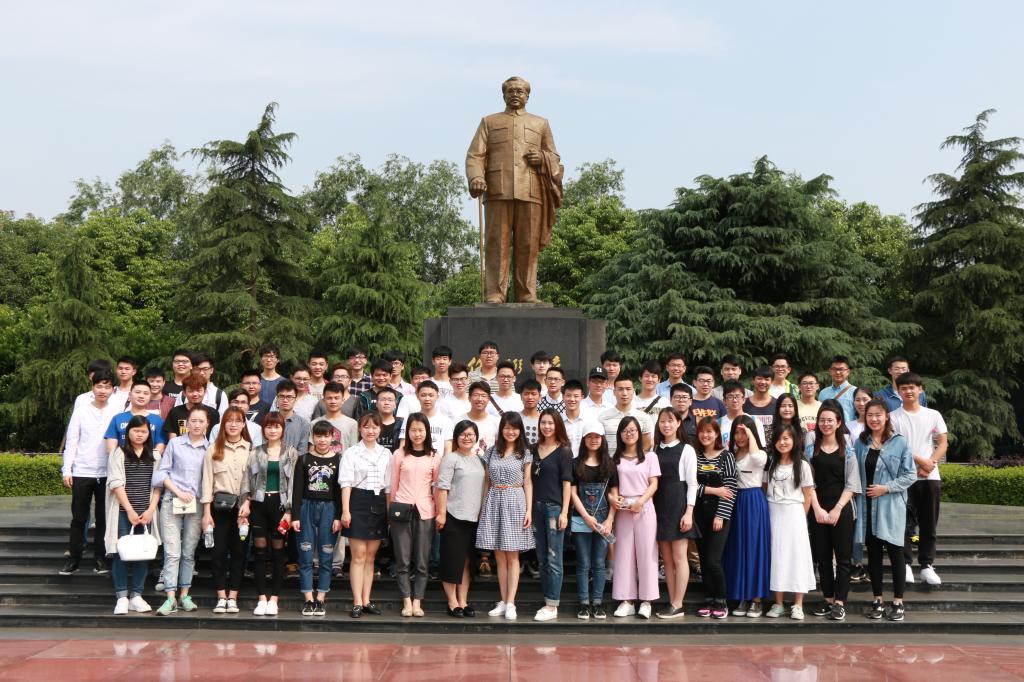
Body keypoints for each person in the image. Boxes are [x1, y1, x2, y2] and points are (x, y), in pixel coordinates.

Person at [466, 75, 562, 303]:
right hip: (497, 190)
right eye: (511, 91)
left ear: (527, 96)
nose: (515, 94)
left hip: (531, 190)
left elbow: (555, 157)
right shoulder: (489, 122)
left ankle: (526, 292)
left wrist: (543, 158)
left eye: (520, 91)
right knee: (496, 243)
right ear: (504, 95)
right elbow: (475, 155)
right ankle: (495, 293)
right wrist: (476, 177)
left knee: (528, 244)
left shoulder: (541, 123)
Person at [856, 399, 917, 622]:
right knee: (873, 556)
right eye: (870, 415)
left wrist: (886, 488)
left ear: (886, 416)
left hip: (891, 506)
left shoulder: (899, 442)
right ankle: (878, 600)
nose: (874, 419)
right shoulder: (861, 442)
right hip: (867, 507)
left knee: (895, 554)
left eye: (878, 415)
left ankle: (898, 602)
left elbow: (910, 475)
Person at [61, 369, 121, 576]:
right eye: (99, 386)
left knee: (103, 518)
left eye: (107, 386)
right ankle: (74, 559)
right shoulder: (81, 411)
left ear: (113, 389)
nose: (102, 390)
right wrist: (67, 469)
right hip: (82, 470)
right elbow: (72, 441)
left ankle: (100, 559)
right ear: (92, 388)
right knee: (79, 517)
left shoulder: (117, 411)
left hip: (108, 471)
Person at [238, 412, 299, 616]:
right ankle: (262, 598)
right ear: (263, 429)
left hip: (280, 506)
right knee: (260, 552)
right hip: (258, 504)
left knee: (279, 552)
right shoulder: (256, 452)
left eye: (277, 426)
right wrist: (246, 502)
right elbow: (247, 480)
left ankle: (274, 599)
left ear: (283, 429)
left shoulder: (291, 453)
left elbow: (293, 484)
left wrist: (289, 511)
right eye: (269, 426)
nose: (273, 430)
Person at [476, 412, 535, 621]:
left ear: (520, 430)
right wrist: (483, 506)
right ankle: (502, 600)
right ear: (501, 429)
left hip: (515, 500)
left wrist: (528, 510)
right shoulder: (491, 451)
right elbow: (487, 481)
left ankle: (511, 602)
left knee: (513, 555)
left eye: (515, 428)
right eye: (507, 427)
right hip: (494, 500)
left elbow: (528, 482)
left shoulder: (524, 453)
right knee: (499, 556)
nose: (511, 431)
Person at [891, 372, 948, 587]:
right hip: (904, 477)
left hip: (929, 477)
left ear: (920, 389)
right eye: (904, 388)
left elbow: (943, 442)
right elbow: (896, 445)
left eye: (912, 387)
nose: (908, 391)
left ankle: (926, 565)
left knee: (929, 522)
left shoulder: (933, 414)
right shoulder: (893, 417)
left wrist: (930, 463)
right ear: (898, 391)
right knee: (903, 523)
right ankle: (905, 563)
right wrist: (921, 462)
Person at [805, 402, 861, 621]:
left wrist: (837, 509)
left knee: (844, 558)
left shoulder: (848, 448)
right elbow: (807, 482)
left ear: (838, 423)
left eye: (830, 420)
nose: (826, 424)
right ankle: (828, 600)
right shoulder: (811, 448)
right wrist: (817, 508)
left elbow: (853, 483)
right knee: (823, 558)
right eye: (822, 420)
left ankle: (839, 603)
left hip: (843, 508)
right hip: (817, 508)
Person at [152, 405, 209, 616]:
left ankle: (185, 594)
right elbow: (162, 473)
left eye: (201, 421)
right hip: (172, 501)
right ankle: (170, 597)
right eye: (193, 421)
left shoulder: (210, 448)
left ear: (207, 424)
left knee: (188, 552)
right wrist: (178, 491)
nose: (197, 425)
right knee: (172, 551)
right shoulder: (175, 444)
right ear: (187, 423)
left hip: (196, 505)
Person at [104, 415, 162, 614]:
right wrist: (129, 510)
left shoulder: (155, 456)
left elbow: (158, 485)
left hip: (146, 513)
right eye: (136, 430)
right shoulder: (118, 453)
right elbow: (116, 483)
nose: (139, 434)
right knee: (120, 553)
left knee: (143, 553)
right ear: (128, 431)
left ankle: (136, 595)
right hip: (123, 512)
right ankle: (121, 596)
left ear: (149, 434)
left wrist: (151, 509)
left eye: (143, 431)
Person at [339, 413, 392, 618]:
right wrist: (346, 510)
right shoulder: (351, 452)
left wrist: (388, 512)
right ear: (360, 429)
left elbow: (388, 487)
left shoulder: (386, 453)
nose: (371, 431)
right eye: (366, 427)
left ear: (380, 429)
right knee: (358, 555)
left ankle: (367, 600)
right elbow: (346, 484)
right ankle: (357, 602)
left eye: (374, 427)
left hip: (378, 502)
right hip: (357, 502)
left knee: (370, 557)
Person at [200, 406, 253, 614]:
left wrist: (247, 504)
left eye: (238, 421)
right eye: (229, 420)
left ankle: (233, 597)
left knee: (239, 553)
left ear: (243, 424)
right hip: (219, 509)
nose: (233, 425)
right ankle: (221, 596)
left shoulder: (251, 449)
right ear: (223, 424)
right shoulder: (213, 449)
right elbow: (207, 482)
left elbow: (255, 481)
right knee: (218, 553)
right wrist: (206, 513)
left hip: (243, 509)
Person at [390, 413, 442, 618]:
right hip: (401, 509)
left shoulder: (434, 456)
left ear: (427, 432)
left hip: (426, 511)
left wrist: (439, 512)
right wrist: (391, 511)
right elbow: (393, 484)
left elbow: (437, 487)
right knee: (403, 560)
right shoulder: (399, 454)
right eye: (413, 430)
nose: (417, 434)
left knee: (422, 560)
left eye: (421, 430)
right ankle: (406, 600)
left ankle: (418, 600)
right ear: (407, 432)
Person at [763, 423, 816, 620]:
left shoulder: (802, 466)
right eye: (778, 439)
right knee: (777, 556)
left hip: (795, 514)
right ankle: (778, 603)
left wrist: (802, 517)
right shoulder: (770, 464)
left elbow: (808, 494)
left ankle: (798, 604)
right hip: (774, 512)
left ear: (794, 441)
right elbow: (765, 488)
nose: (782, 442)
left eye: (786, 438)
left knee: (796, 557)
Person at [436, 421, 488, 618]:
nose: (467, 438)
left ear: (476, 437)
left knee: (467, 562)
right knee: (452, 561)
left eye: (471, 434)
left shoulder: (480, 459)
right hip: (453, 515)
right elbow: (442, 487)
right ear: (456, 437)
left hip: (474, 518)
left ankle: (463, 600)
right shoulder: (451, 458)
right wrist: (441, 513)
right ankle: (452, 602)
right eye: (463, 434)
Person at [611, 416, 661, 619]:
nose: (629, 434)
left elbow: (654, 483)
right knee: (624, 554)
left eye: (632, 430)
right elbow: (612, 485)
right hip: (623, 510)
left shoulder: (650, 457)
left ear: (639, 433)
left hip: (644, 507)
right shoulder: (615, 459)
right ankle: (627, 600)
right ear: (620, 435)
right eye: (625, 431)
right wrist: (614, 499)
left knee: (647, 554)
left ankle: (647, 601)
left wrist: (641, 501)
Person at [291, 420, 342, 617]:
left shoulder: (338, 460)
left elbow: (339, 491)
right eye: (318, 436)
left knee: (326, 556)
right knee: (305, 555)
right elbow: (296, 490)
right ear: (313, 437)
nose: (322, 440)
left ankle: (320, 598)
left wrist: (338, 516)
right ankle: (308, 599)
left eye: (326, 436)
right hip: (306, 507)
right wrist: (295, 516)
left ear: (332, 438)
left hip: (329, 509)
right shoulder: (304, 459)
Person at [722, 416, 771, 618]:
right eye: (737, 432)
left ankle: (756, 599)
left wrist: (751, 434)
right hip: (734, 501)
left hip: (753, 501)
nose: (740, 437)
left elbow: (758, 459)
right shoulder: (731, 454)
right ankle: (742, 595)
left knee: (754, 549)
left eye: (744, 432)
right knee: (738, 549)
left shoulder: (759, 453)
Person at [651, 408, 698, 620]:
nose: (666, 425)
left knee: (680, 558)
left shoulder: (687, 449)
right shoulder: (654, 449)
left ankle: (678, 604)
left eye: (671, 421)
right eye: (662, 421)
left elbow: (692, 483)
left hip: (678, 504)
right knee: (667, 560)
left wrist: (688, 512)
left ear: (679, 423)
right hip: (659, 505)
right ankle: (672, 601)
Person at [570, 422, 618, 620]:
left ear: (602, 439)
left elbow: (614, 495)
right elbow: (572, 493)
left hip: (603, 521)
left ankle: (597, 603)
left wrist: (610, 520)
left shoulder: (610, 464)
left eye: (597, 436)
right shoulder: (575, 463)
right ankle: (583, 603)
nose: (593, 440)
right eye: (589, 436)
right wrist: (586, 516)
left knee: (599, 563)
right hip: (581, 519)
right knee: (583, 563)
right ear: (583, 440)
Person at [530, 409, 573, 622]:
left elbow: (567, 484)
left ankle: (552, 604)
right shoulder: (533, 449)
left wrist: (564, 512)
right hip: (536, 508)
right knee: (541, 557)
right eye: (543, 423)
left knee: (554, 557)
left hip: (554, 509)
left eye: (550, 423)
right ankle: (547, 599)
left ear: (557, 425)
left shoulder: (564, 451)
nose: (546, 427)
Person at [693, 417, 738, 619]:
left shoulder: (727, 456)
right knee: (703, 560)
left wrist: (721, 515)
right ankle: (708, 599)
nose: (706, 435)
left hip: (719, 516)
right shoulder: (695, 456)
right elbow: (690, 487)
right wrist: (714, 490)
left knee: (713, 561)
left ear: (717, 434)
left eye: (710, 431)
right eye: (702, 431)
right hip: (699, 516)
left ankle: (721, 600)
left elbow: (730, 490)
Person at [847, 386, 875, 585]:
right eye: (858, 399)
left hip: (875, 480)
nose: (861, 403)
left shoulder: (879, 424)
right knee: (856, 524)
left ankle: (874, 564)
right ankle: (857, 563)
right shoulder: (848, 426)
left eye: (865, 399)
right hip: (855, 480)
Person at [104, 378, 167, 454]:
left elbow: (160, 445)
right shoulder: (118, 418)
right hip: (122, 460)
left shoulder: (157, 420)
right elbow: (111, 447)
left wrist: (149, 459)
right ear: (130, 395)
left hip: (149, 460)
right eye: (138, 392)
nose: (141, 396)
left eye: (146, 393)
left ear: (150, 397)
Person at [599, 376, 654, 456]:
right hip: (610, 462)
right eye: (620, 389)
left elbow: (646, 446)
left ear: (633, 391)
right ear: (614, 392)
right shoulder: (603, 417)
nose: (624, 393)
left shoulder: (644, 417)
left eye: (628, 389)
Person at [398, 380, 453, 454]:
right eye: (423, 395)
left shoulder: (446, 421)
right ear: (417, 396)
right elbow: (403, 445)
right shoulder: (409, 419)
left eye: (431, 395)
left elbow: (447, 449)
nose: (427, 399)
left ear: (437, 396)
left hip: (438, 460)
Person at [161, 373, 219, 440]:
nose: (195, 394)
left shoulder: (213, 413)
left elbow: (215, 438)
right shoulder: (175, 412)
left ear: (205, 391)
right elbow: (172, 439)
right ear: (184, 393)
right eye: (191, 391)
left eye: (198, 390)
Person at [311, 382, 359, 454]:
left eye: (336, 398)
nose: (333, 401)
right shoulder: (314, 423)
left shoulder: (352, 424)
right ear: (323, 400)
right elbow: (312, 450)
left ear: (343, 400)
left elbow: (354, 450)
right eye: (329, 398)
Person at [720, 380, 766, 449]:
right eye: (730, 397)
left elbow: (761, 447)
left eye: (737, 396)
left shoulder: (754, 421)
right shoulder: (718, 423)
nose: (734, 400)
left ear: (744, 399)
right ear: (724, 401)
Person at [274, 380, 311, 454]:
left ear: (295, 399)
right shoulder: (269, 420)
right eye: (281, 396)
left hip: (295, 461)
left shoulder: (303, 424)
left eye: (289, 397)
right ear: (277, 398)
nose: (285, 400)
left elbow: (302, 451)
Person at [818, 355, 857, 423]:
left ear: (848, 372)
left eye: (841, 369)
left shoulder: (855, 392)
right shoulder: (823, 393)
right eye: (834, 369)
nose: (838, 372)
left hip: (849, 429)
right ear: (830, 371)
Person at [463, 381, 500, 452]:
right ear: (469, 398)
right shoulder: (459, 420)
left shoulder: (496, 422)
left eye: (483, 396)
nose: (480, 399)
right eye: (476, 395)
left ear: (488, 399)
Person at [744, 367, 777, 444]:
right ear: (753, 380)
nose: (763, 382)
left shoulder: (778, 404)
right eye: (759, 378)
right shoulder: (743, 403)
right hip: (749, 446)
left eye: (767, 379)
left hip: (772, 447)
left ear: (772, 382)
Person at [561, 379, 590, 456]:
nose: (572, 399)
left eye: (576, 396)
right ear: (563, 397)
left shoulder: (589, 420)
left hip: (583, 461)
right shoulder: (558, 420)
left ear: (582, 397)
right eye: (568, 395)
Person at [518, 379, 542, 445]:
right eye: (526, 394)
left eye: (533, 394)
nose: (530, 397)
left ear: (540, 397)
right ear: (521, 396)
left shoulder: (544, 419)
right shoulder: (516, 418)